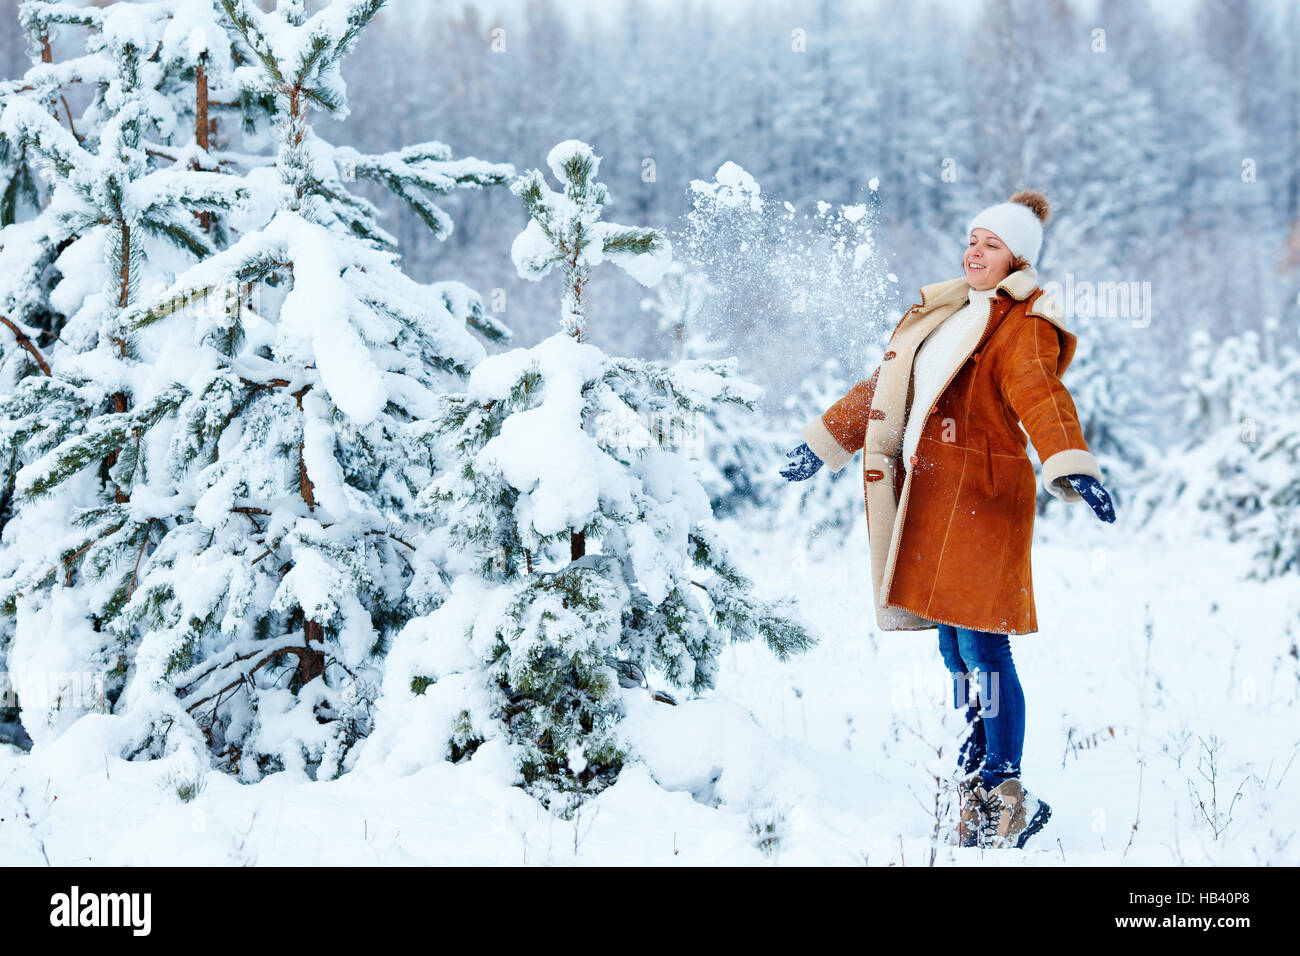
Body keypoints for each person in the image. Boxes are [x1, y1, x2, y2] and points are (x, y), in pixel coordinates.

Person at [780, 190, 1116, 850]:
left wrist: (1070, 463)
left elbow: (1042, 397)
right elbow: (882, 390)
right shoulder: (944, 316)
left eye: (991, 244)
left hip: (984, 500)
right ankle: (973, 766)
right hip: (929, 501)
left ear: (1018, 258)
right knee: (951, 645)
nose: (974, 251)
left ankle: (1006, 788)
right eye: (971, 238)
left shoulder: (1022, 326)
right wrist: (823, 442)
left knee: (983, 645)